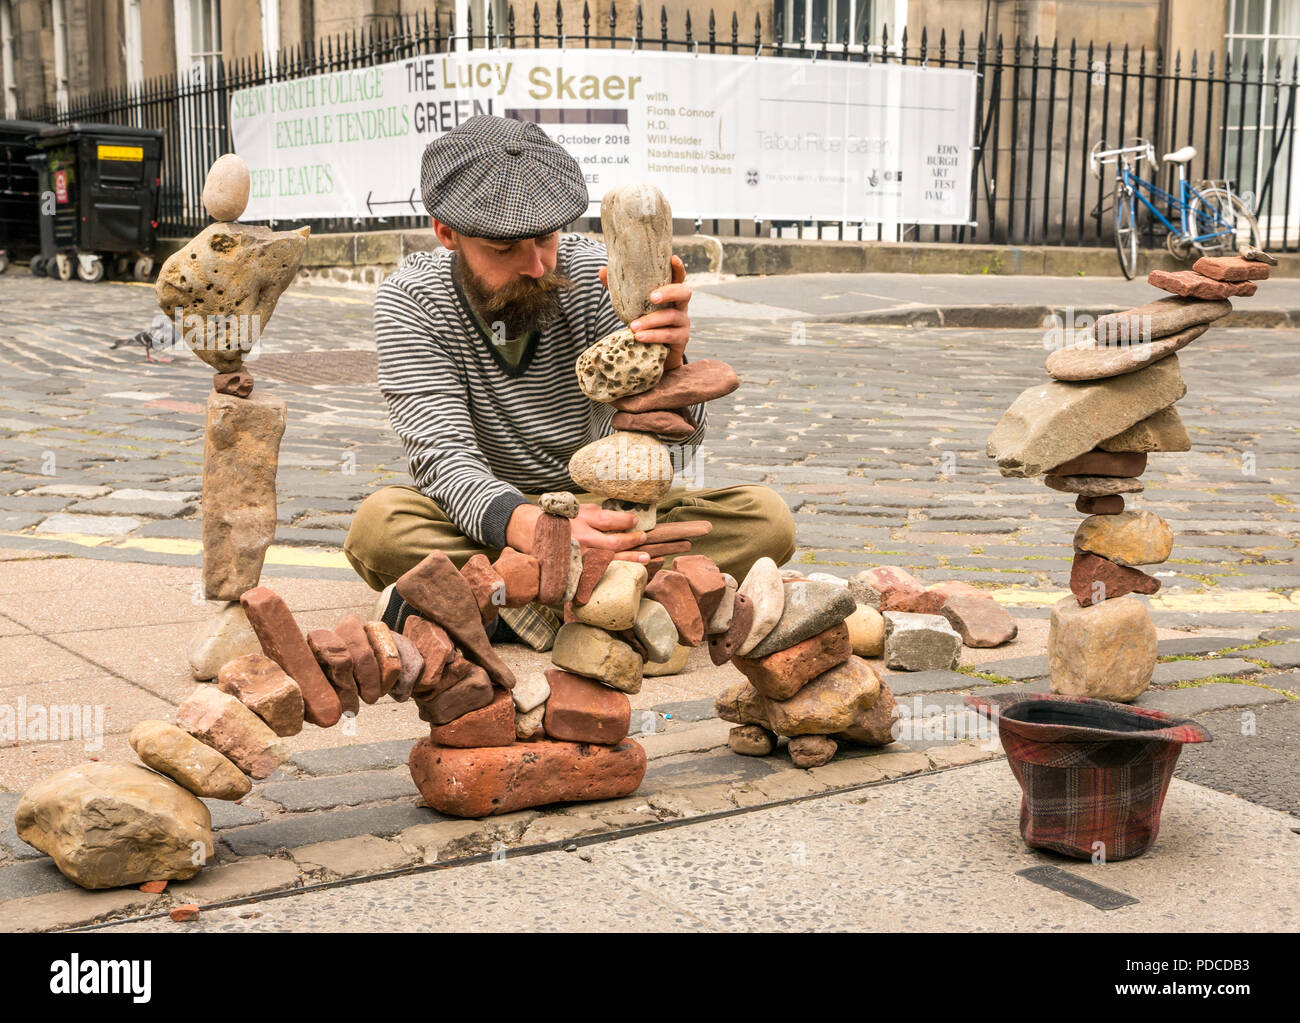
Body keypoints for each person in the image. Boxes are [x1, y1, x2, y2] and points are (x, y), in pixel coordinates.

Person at [344, 115, 795, 649]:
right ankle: (615, 597)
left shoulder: (598, 277)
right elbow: (444, 461)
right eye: (503, 248)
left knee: (768, 519)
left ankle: (507, 601)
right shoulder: (412, 299)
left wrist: (672, 365)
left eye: (545, 237)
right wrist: (545, 533)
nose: (536, 265)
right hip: (496, 515)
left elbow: (675, 452)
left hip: (607, 510)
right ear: (447, 232)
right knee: (380, 527)